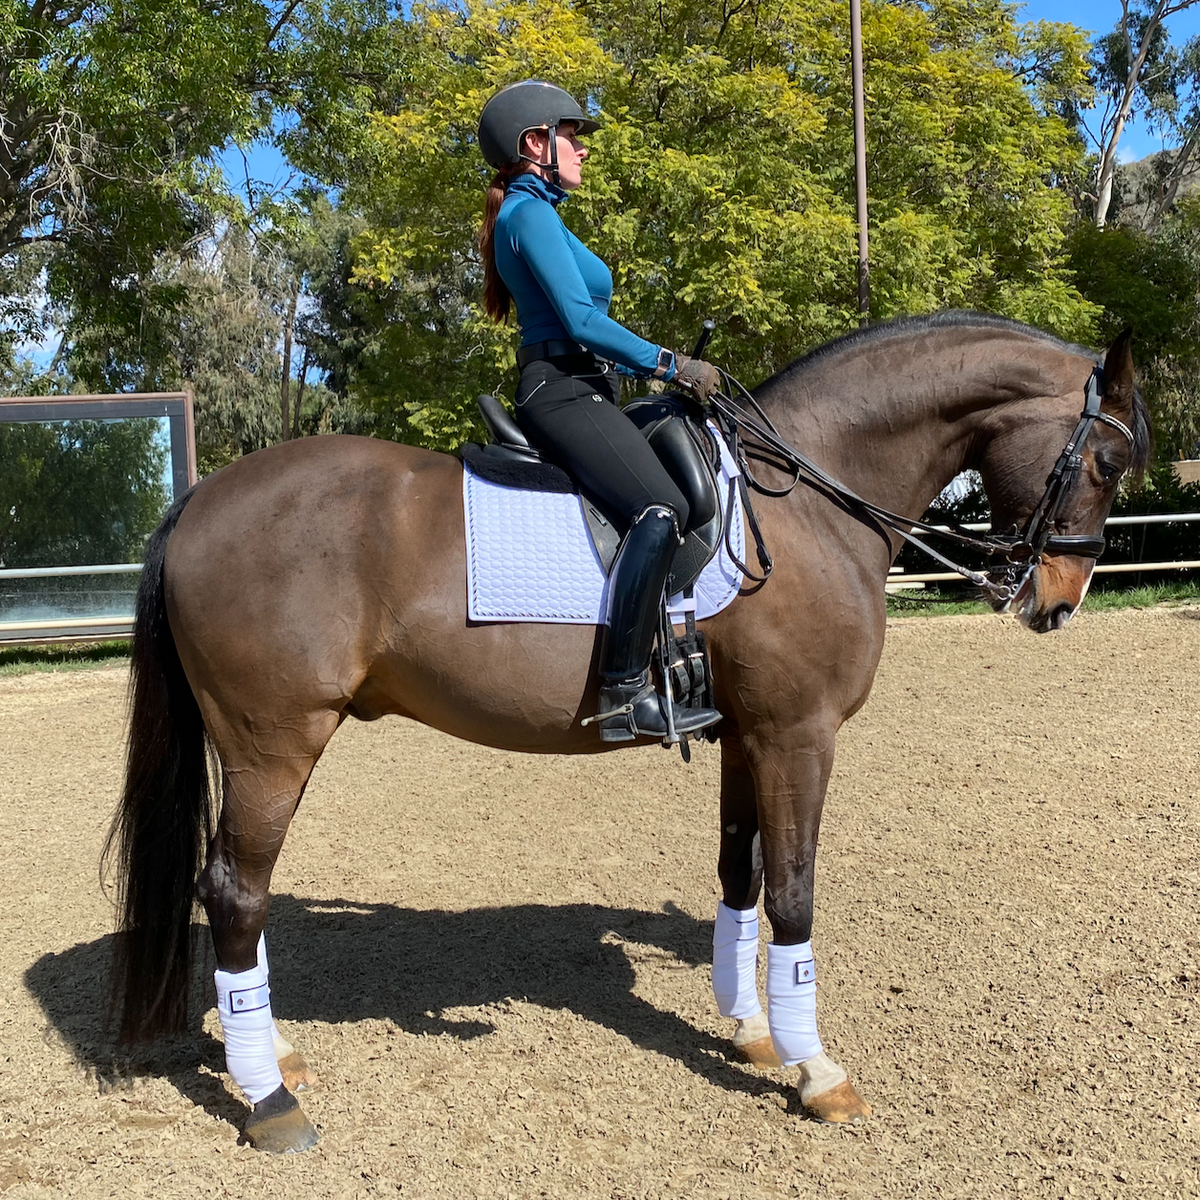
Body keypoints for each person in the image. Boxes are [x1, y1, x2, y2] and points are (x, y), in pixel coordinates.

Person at [477, 79, 723, 744]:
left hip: (586, 386)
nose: (583, 151)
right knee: (659, 508)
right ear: (536, 144)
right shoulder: (526, 216)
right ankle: (623, 692)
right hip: (560, 389)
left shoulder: (538, 214)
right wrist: (672, 364)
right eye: (573, 138)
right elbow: (582, 321)